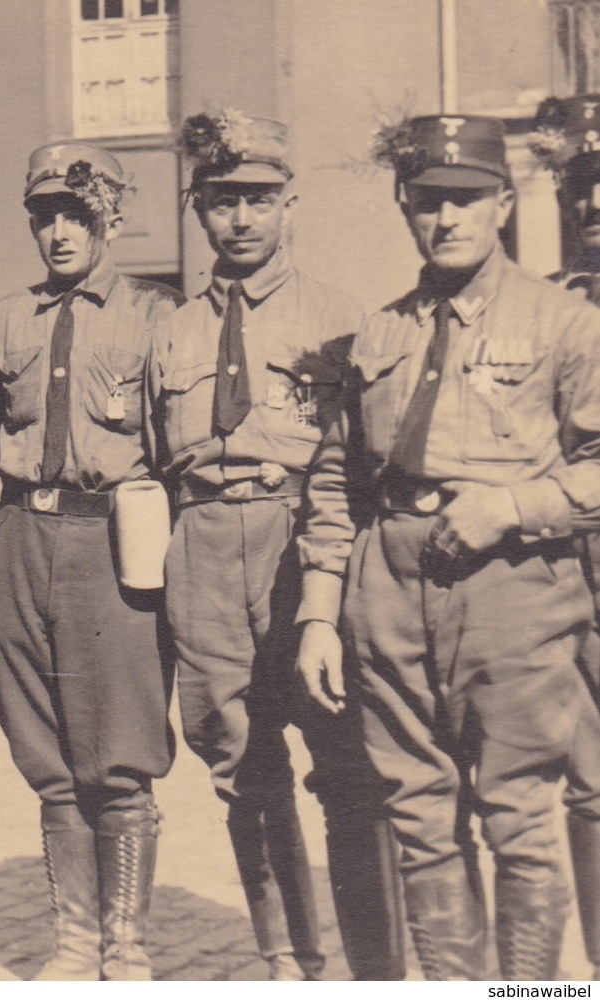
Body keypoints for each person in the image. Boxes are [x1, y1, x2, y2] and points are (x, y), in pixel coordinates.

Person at [296, 114, 600, 979]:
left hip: (511, 586)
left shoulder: (563, 322)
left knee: (516, 816)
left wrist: (512, 504)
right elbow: (331, 481)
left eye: (466, 199)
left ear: (501, 204)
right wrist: (321, 613)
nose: (447, 219)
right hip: (387, 587)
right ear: (405, 208)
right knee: (418, 817)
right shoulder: (378, 333)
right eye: (429, 202)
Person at [152, 111, 404, 980]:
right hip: (203, 544)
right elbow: (156, 456)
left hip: (301, 537)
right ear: (197, 209)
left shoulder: (339, 318)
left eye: (259, 200)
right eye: (222, 202)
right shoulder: (172, 328)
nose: (241, 219)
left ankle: (373, 965)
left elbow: (365, 462)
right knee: (238, 762)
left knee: (341, 757)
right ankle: (288, 959)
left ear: (290, 204)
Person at [0, 142, 181, 980]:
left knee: (118, 756)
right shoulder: (3, 318)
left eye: (76, 215)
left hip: (112, 542)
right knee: (46, 751)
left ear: (111, 218)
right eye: (44, 216)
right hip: (23, 538)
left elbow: (175, 447)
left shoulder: (156, 314)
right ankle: (72, 941)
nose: (58, 232)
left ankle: (124, 943)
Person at [532, 95, 600, 981]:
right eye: (580, 184)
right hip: (578, 574)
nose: (592, 204)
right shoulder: (550, 309)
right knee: (589, 788)